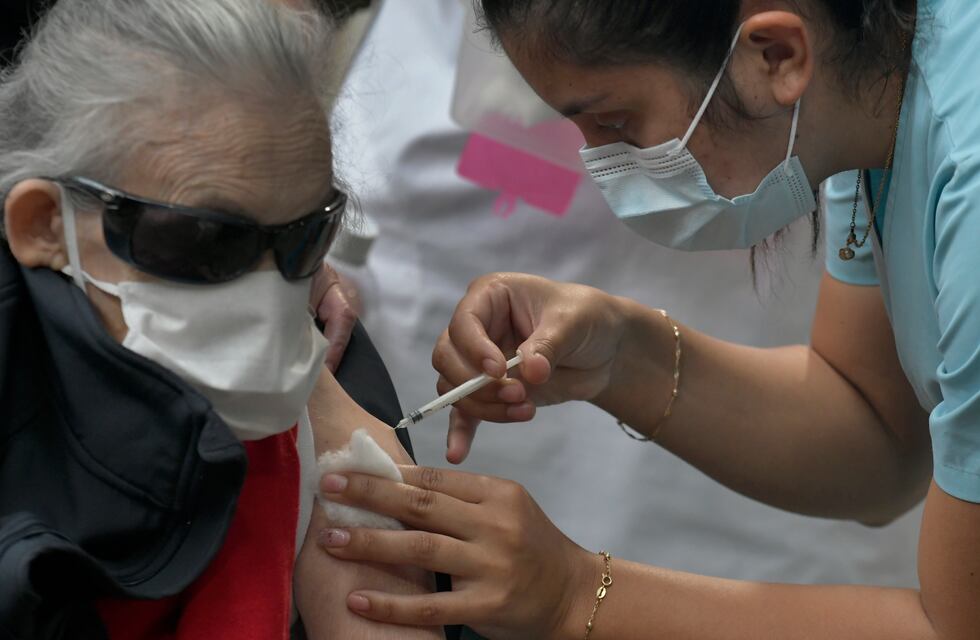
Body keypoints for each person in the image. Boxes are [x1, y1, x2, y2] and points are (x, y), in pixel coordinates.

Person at [311, 0, 980, 638]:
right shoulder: (872, 92)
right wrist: (623, 356)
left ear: (776, 55)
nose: (598, 163)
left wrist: (573, 595)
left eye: (615, 122)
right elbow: (878, 441)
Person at [0, 1, 445, 638]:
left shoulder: (337, 413)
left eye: (303, 240)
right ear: (43, 223)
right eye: (206, 241)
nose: (265, 298)